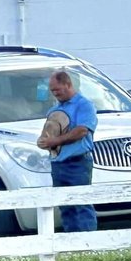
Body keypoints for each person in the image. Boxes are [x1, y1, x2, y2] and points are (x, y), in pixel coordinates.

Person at [36, 70, 98, 232]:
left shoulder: (84, 105)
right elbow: (49, 135)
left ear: (68, 84)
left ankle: (87, 242)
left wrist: (54, 141)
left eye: (57, 89)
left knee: (81, 204)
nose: (55, 93)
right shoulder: (54, 110)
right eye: (52, 91)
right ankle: (70, 242)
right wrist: (44, 142)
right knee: (65, 205)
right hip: (58, 164)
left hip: (77, 163)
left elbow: (82, 131)